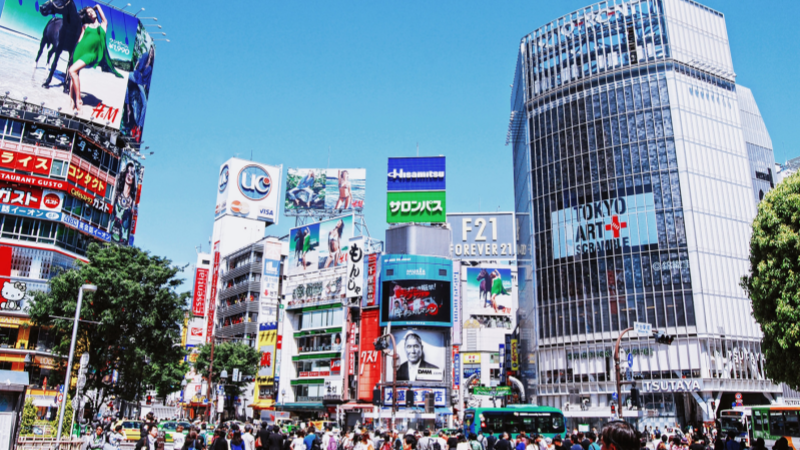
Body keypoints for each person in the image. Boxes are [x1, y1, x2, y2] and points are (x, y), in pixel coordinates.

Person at [67, 4, 123, 113]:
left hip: (91, 54)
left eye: (91, 11)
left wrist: (96, 6)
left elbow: (103, 17)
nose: (90, 13)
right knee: (74, 74)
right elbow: (79, 40)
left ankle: (79, 101)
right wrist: (73, 54)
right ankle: (71, 99)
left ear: (95, 13)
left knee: (72, 71)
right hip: (79, 51)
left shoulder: (103, 25)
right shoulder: (86, 26)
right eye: (88, 13)